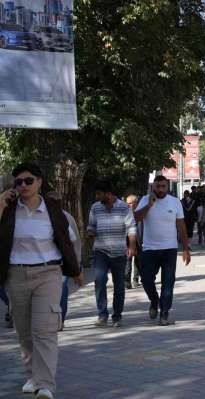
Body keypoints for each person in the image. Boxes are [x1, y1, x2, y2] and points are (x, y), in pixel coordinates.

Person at [0, 163, 83, 399]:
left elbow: (68, 241)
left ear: (39, 182)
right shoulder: (8, 210)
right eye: (18, 182)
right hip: (15, 275)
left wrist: (75, 270)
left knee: (44, 330)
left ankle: (45, 384)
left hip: (48, 273)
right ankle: (33, 376)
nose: (23, 185)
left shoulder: (53, 210)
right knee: (24, 332)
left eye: (28, 181)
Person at [134, 175, 191, 326]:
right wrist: (149, 206)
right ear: (153, 187)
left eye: (163, 186)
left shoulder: (174, 202)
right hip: (149, 249)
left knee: (168, 282)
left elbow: (181, 225)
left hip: (169, 249)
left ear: (167, 187)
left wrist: (186, 248)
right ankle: (154, 301)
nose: (160, 189)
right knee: (146, 280)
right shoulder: (145, 200)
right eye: (157, 186)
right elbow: (135, 219)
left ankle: (164, 312)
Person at [87, 180, 137, 328]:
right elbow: (91, 226)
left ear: (108, 193)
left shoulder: (123, 208)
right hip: (100, 251)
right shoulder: (95, 207)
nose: (96, 197)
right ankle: (102, 314)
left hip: (119, 252)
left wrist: (132, 247)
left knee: (119, 285)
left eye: (99, 194)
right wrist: (90, 234)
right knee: (100, 281)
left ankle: (117, 316)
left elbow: (131, 228)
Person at [45, 191, 82, 331]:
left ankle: (61, 319)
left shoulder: (66, 217)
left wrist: (76, 263)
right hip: (46, 263)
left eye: (56, 201)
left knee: (62, 290)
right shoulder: (41, 217)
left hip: (63, 262)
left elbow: (75, 241)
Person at [125, 195, 143, 289]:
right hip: (127, 241)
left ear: (136, 203)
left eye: (132, 203)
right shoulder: (124, 214)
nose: (130, 205)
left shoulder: (141, 213)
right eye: (128, 203)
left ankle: (136, 280)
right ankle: (127, 281)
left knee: (138, 261)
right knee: (128, 261)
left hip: (139, 241)